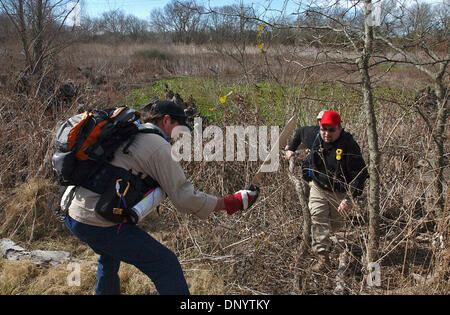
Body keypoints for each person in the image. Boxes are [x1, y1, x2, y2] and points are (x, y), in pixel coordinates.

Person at [62, 100, 259, 295]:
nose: (179, 137)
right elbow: (184, 198)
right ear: (166, 120)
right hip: (95, 221)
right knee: (166, 264)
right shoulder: (157, 145)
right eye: (180, 130)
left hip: (71, 210)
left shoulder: (132, 130)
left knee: (109, 256)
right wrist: (230, 202)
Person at [285, 110, 368, 272]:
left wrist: (348, 200)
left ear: (340, 128)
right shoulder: (315, 135)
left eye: (331, 130)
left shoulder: (349, 145)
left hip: (340, 192)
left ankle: (334, 242)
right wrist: (291, 148)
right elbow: (300, 132)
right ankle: (322, 258)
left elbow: (360, 174)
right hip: (318, 186)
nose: (327, 133)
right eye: (324, 129)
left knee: (336, 225)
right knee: (318, 217)